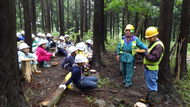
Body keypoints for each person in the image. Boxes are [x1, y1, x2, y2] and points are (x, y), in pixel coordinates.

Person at [141, 27, 164, 104]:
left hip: (152, 69)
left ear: (154, 36)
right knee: (149, 85)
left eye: (149, 38)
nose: (148, 39)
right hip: (148, 67)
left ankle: (151, 103)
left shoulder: (158, 46)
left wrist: (146, 54)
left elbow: (154, 58)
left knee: (152, 87)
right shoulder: (153, 43)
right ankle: (148, 99)